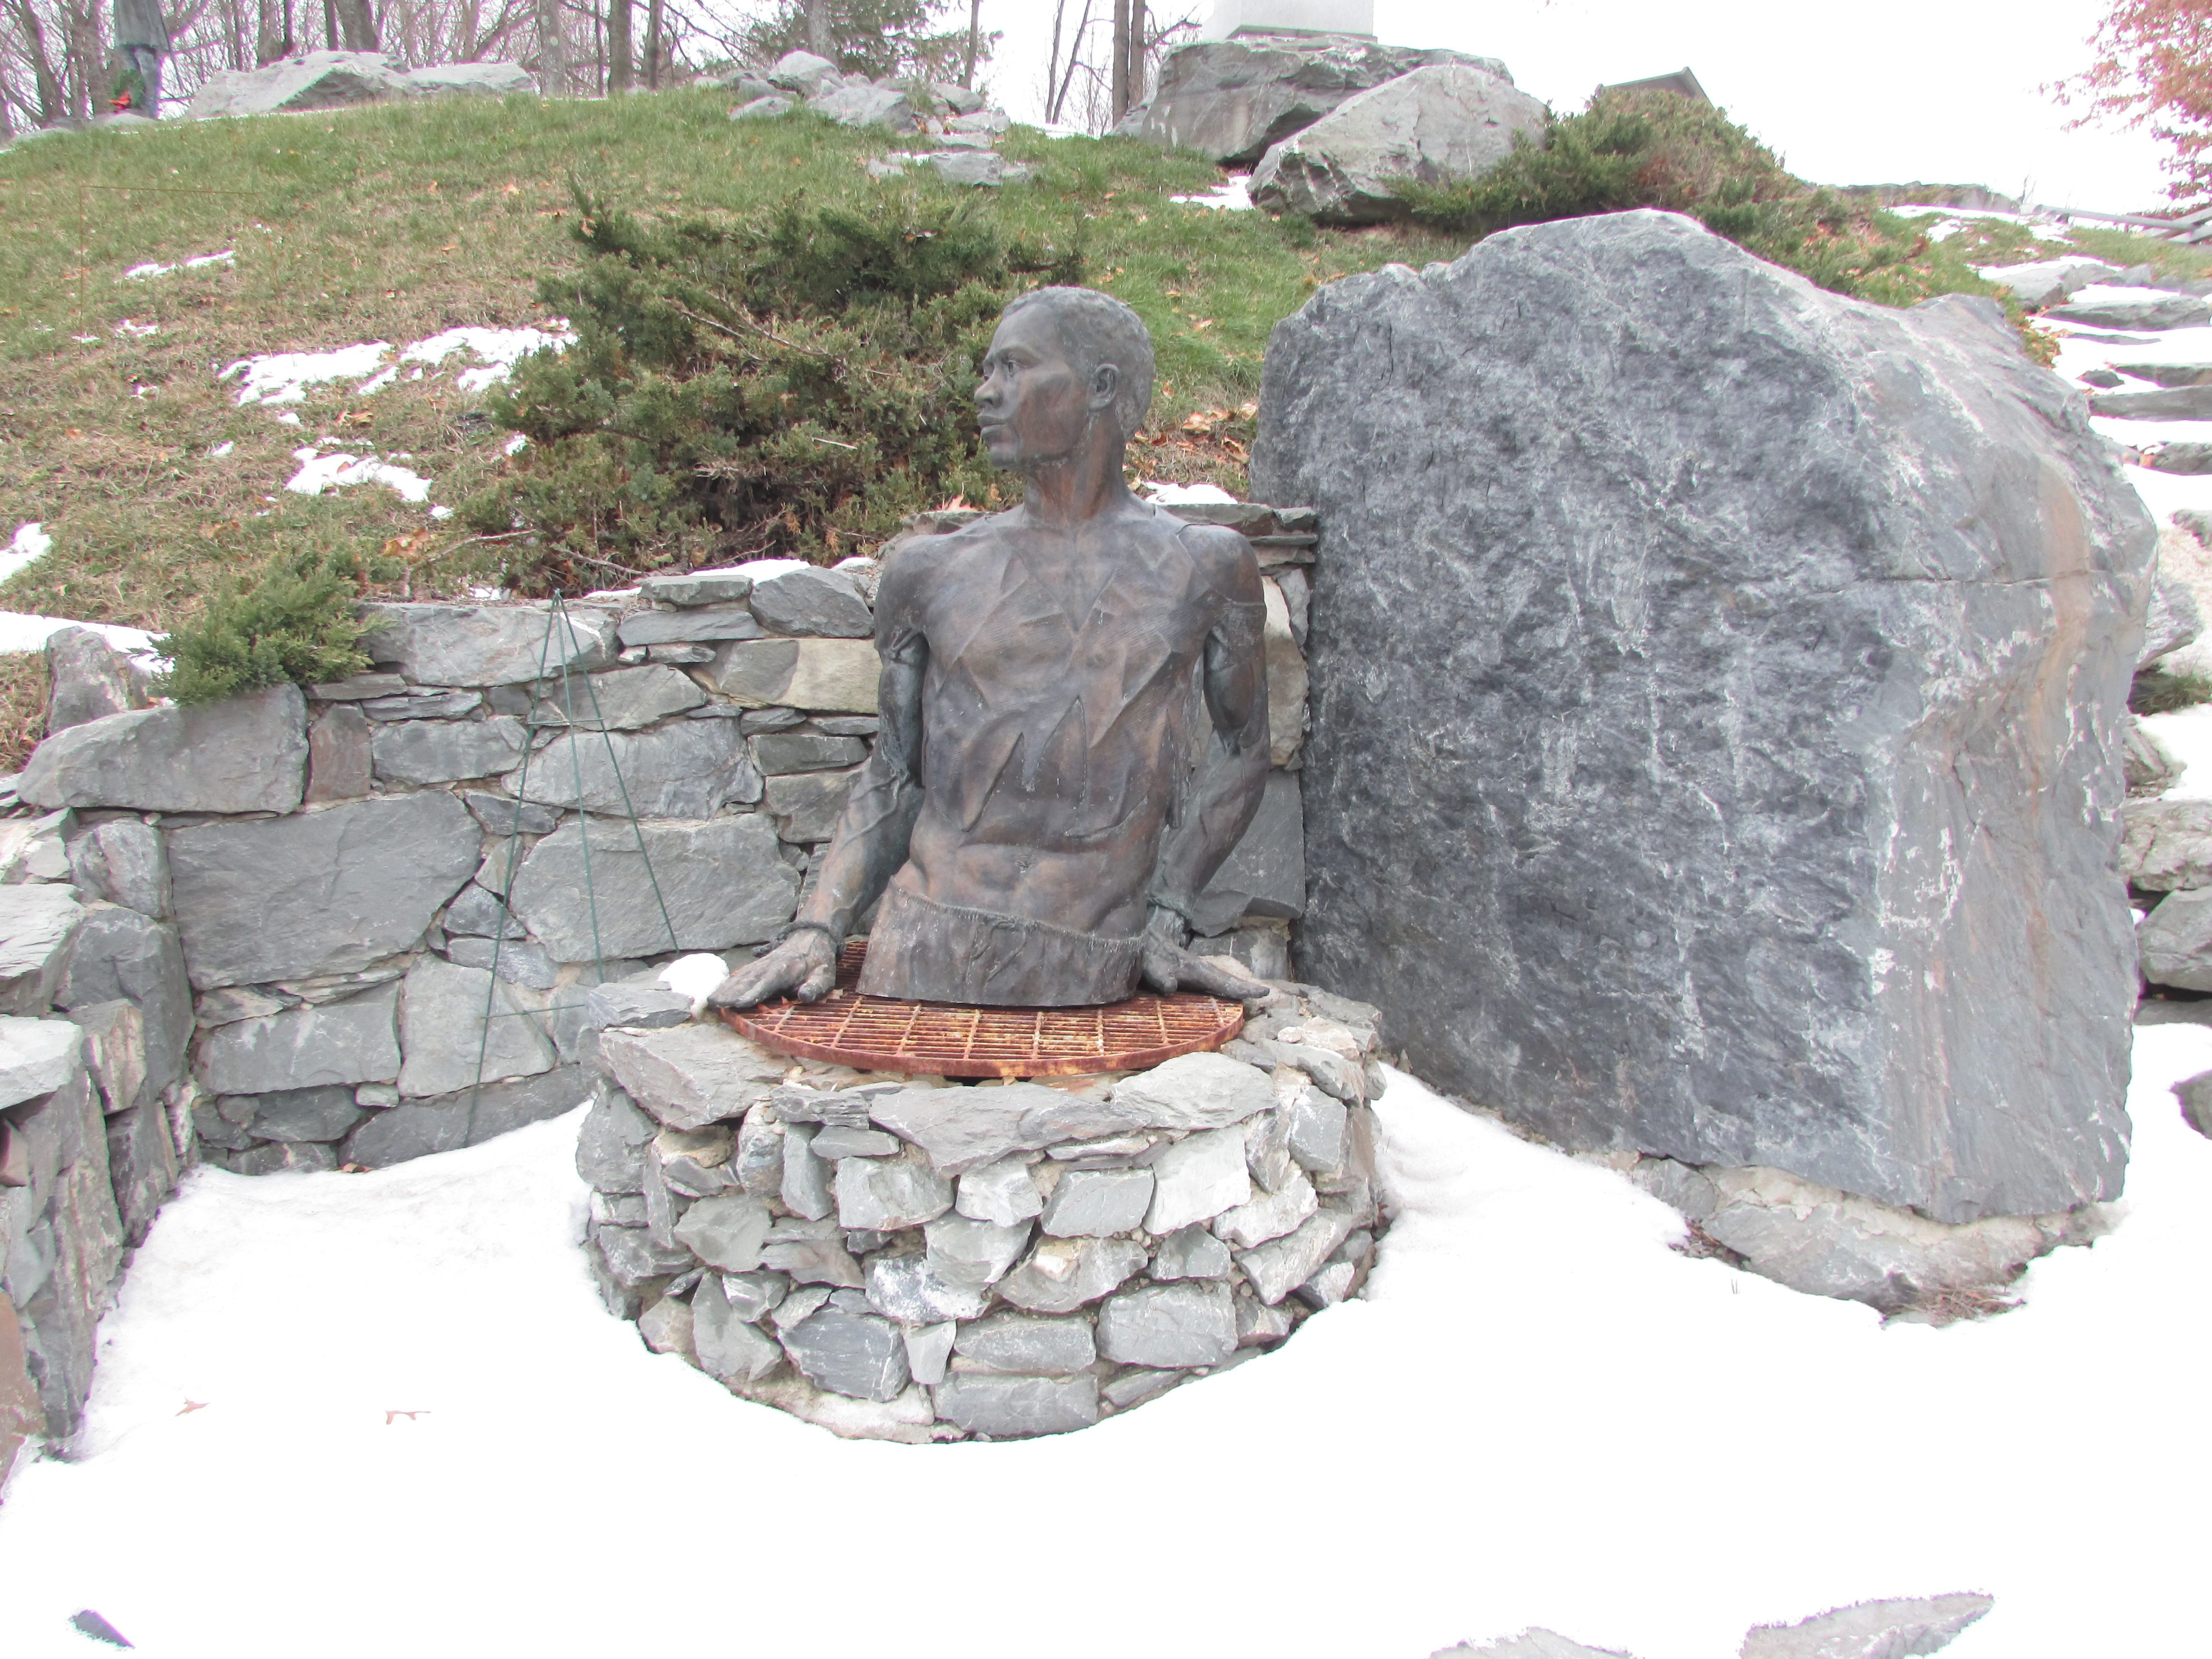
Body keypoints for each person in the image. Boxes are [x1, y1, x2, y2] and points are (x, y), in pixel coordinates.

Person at [711, 285, 1273, 1010]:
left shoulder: (1207, 568)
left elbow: (1243, 748)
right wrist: (817, 927)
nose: (985, 393)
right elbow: (892, 770)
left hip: (1091, 957)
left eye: (1012, 369)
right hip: (921, 943)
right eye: (987, 371)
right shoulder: (931, 569)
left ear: (1101, 386)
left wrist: (1168, 912)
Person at [113, 0, 170, 117]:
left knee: (145, 57)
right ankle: (138, 103)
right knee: (130, 58)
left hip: (144, 16)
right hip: (125, 13)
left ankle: (150, 106)